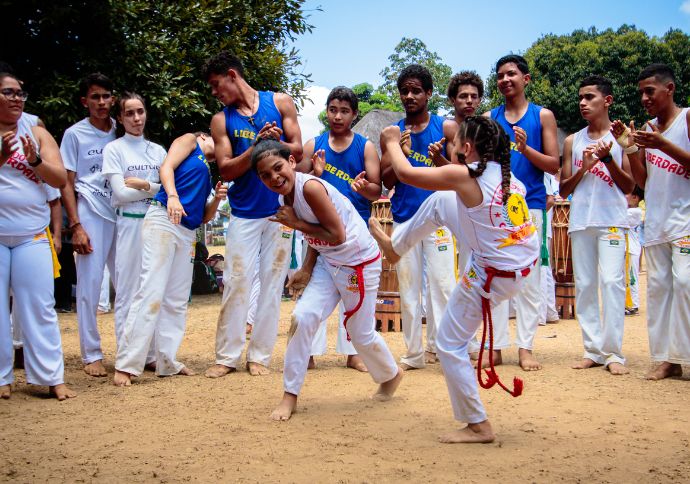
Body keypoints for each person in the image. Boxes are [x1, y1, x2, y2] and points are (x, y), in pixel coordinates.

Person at [370, 116, 539, 443]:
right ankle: (397, 248)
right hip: (516, 265)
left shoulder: (464, 175)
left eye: (455, 141)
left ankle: (478, 425)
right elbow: (450, 189)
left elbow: (406, 175)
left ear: (465, 147)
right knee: (439, 202)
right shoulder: (507, 177)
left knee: (449, 342)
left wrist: (391, 141)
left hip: (492, 273)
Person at [251, 139, 402, 421]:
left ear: (292, 163)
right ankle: (290, 394)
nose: (274, 177)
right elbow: (316, 237)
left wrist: (295, 224)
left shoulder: (310, 187)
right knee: (303, 317)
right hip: (328, 261)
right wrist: (307, 268)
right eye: (265, 175)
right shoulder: (285, 197)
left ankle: (391, 375)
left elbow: (336, 235)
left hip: (358, 263)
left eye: (278, 168)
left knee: (361, 333)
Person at [202, 51, 302, 377]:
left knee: (273, 284)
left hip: (280, 211)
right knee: (236, 281)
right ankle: (227, 356)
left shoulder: (281, 102)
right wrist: (256, 147)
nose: (216, 93)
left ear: (232, 75)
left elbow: (298, 149)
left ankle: (259, 355)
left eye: (217, 86)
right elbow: (227, 169)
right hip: (244, 213)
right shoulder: (221, 120)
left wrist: (277, 147)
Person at [113, 132, 226, 386]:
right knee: (151, 290)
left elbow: (205, 217)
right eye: (219, 140)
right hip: (164, 218)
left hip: (187, 232)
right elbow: (167, 167)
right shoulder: (190, 140)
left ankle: (167, 361)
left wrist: (217, 199)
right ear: (206, 136)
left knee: (176, 299)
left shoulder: (208, 173)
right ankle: (127, 365)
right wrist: (172, 196)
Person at [612, 63, 690, 380]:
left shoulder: (686, 119)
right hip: (656, 222)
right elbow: (643, 181)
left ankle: (684, 354)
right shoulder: (648, 127)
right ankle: (667, 359)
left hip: (685, 220)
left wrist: (664, 145)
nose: (644, 98)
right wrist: (630, 147)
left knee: (685, 285)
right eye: (641, 92)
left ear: (669, 89)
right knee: (659, 291)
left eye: (650, 91)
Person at [0, 71, 75, 400]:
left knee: (40, 306)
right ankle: (2, 379)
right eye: (8, 92)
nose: (17, 98)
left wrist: (34, 159)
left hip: (32, 234)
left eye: (20, 93)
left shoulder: (37, 132)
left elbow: (59, 179)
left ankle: (51, 377)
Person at [297, 86, 381, 372]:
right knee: (310, 286)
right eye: (333, 109)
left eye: (345, 111)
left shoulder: (364, 146)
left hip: (353, 233)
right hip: (315, 227)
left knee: (353, 291)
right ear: (327, 111)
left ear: (354, 115)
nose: (338, 115)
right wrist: (315, 174)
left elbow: (376, 190)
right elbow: (296, 183)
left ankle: (354, 352)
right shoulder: (314, 144)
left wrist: (364, 186)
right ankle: (307, 350)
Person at [486, 54, 560, 371]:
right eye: (500, 75)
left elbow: (554, 164)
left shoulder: (542, 116)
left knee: (530, 279)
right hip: (498, 208)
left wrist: (525, 148)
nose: (505, 80)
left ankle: (525, 347)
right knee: (497, 276)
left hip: (531, 207)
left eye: (511, 74)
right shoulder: (491, 117)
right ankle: (497, 346)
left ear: (526, 79)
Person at [380, 64, 456, 370]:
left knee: (443, 286)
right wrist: (402, 154)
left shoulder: (446, 127)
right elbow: (386, 179)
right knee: (409, 291)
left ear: (428, 93)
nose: (409, 96)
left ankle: (441, 348)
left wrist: (438, 159)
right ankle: (413, 353)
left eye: (416, 90)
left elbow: (458, 171)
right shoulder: (393, 133)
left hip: (440, 220)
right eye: (404, 91)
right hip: (406, 218)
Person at [560, 75, 635, 375]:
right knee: (587, 287)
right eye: (581, 97)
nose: (582, 102)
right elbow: (564, 189)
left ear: (608, 101)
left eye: (590, 97)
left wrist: (608, 160)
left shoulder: (620, 138)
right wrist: (586, 168)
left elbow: (630, 185)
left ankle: (614, 353)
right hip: (581, 221)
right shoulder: (572, 141)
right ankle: (592, 350)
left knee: (613, 284)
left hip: (613, 220)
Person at [102, 91, 166, 372]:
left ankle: (150, 354)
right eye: (129, 113)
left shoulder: (158, 151)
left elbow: (166, 190)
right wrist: (150, 187)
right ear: (120, 117)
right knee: (127, 291)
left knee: (153, 288)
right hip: (128, 223)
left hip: (156, 221)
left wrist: (141, 185)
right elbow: (119, 192)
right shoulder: (114, 149)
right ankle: (126, 354)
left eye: (140, 111)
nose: (136, 118)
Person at [59, 73, 117, 377]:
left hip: (120, 212)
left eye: (106, 96)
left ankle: (134, 351)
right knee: (90, 286)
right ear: (85, 101)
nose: (102, 102)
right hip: (90, 211)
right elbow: (66, 184)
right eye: (95, 97)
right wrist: (76, 225)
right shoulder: (74, 134)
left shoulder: (119, 131)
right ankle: (91, 354)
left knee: (128, 283)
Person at [625, 186, 644, 315]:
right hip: (629, 248)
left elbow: (618, 214)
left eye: (627, 194)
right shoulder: (631, 210)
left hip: (632, 248)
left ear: (635, 198)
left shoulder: (635, 212)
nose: (624, 197)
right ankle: (627, 303)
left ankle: (633, 305)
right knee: (626, 278)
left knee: (632, 278)